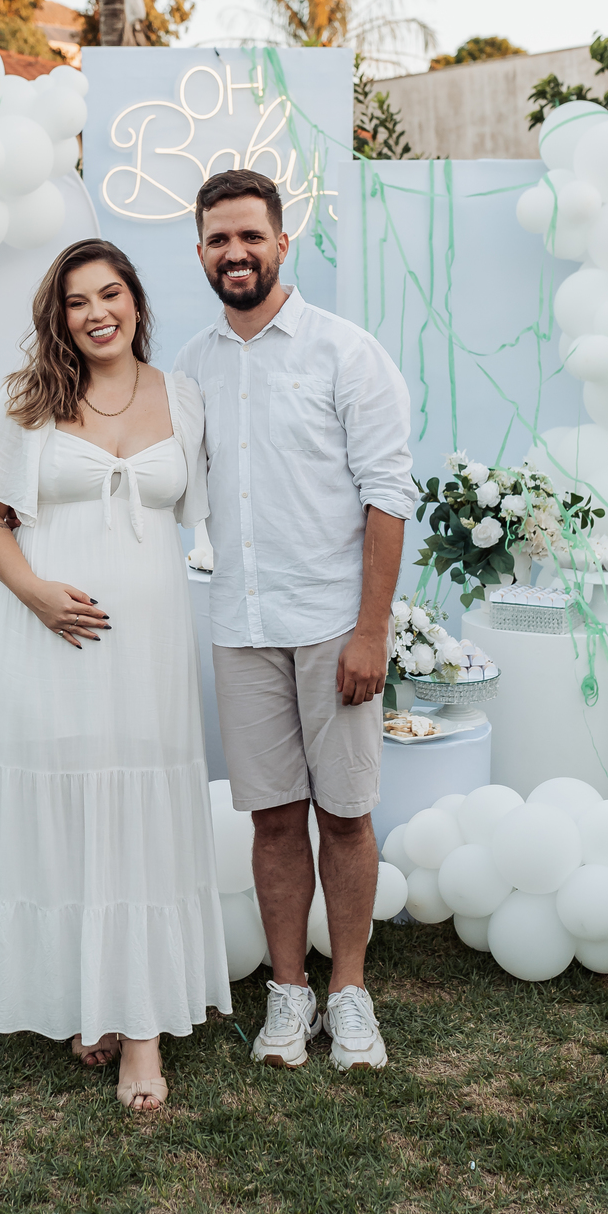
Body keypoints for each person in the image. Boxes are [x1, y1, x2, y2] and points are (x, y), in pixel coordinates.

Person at [0, 238, 231, 1112]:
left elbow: (215, 509)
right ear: (60, 317)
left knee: (140, 814)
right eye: (76, 301)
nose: (95, 313)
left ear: (136, 302)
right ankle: (90, 996)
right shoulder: (28, 399)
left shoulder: (183, 397)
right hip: (47, 637)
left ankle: (140, 1028)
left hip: (148, 642)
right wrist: (36, 593)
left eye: (109, 294)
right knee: (71, 808)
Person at [175, 169, 414, 1072]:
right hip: (241, 625)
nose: (235, 252)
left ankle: (348, 992)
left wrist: (371, 630)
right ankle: (288, 991)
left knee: (344, 815)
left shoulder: (346, 353)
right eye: (218, 239)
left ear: (282, 242)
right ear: (201, 252)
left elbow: (388, 495)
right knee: (272, 820)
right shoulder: (190, 367)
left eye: (250, 236)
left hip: (330, 625)